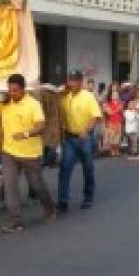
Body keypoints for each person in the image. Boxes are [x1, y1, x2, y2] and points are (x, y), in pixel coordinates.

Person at [0, 74, 55, 234]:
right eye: (9, 90)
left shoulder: (33, 104)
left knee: (37, 185)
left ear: (23, 89)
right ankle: (15, 221)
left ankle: (49, 208)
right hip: (9, 152)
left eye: (15, 91)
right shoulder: (4, 104)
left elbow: (41, 125)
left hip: (30, 153)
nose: (11, 94)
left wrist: (26, 134)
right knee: (10, 186)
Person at [57, 69, 102, 213]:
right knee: (65, 169)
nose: (72, 83)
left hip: (85, 137)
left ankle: (88, 197)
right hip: (69, 138)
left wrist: (86, 130)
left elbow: (95, 116)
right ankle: (62, 201)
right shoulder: (64, 97)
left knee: (87, 168)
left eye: (76, 80)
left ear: (81, 82)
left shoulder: (88, 96)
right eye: (71, 80)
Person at [103, 86, 123, 156]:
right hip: (111, 122)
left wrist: (113, 110)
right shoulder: (108, 104)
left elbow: (120, 111)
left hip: (118, 121)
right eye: (113, 95)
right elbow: (109, 113)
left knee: (118, 136)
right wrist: (115, 110)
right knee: (112, 136)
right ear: (111, 96)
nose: (115, 96)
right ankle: (111, 150)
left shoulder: (120, 103)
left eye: (116, 95)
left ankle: (117, 150)